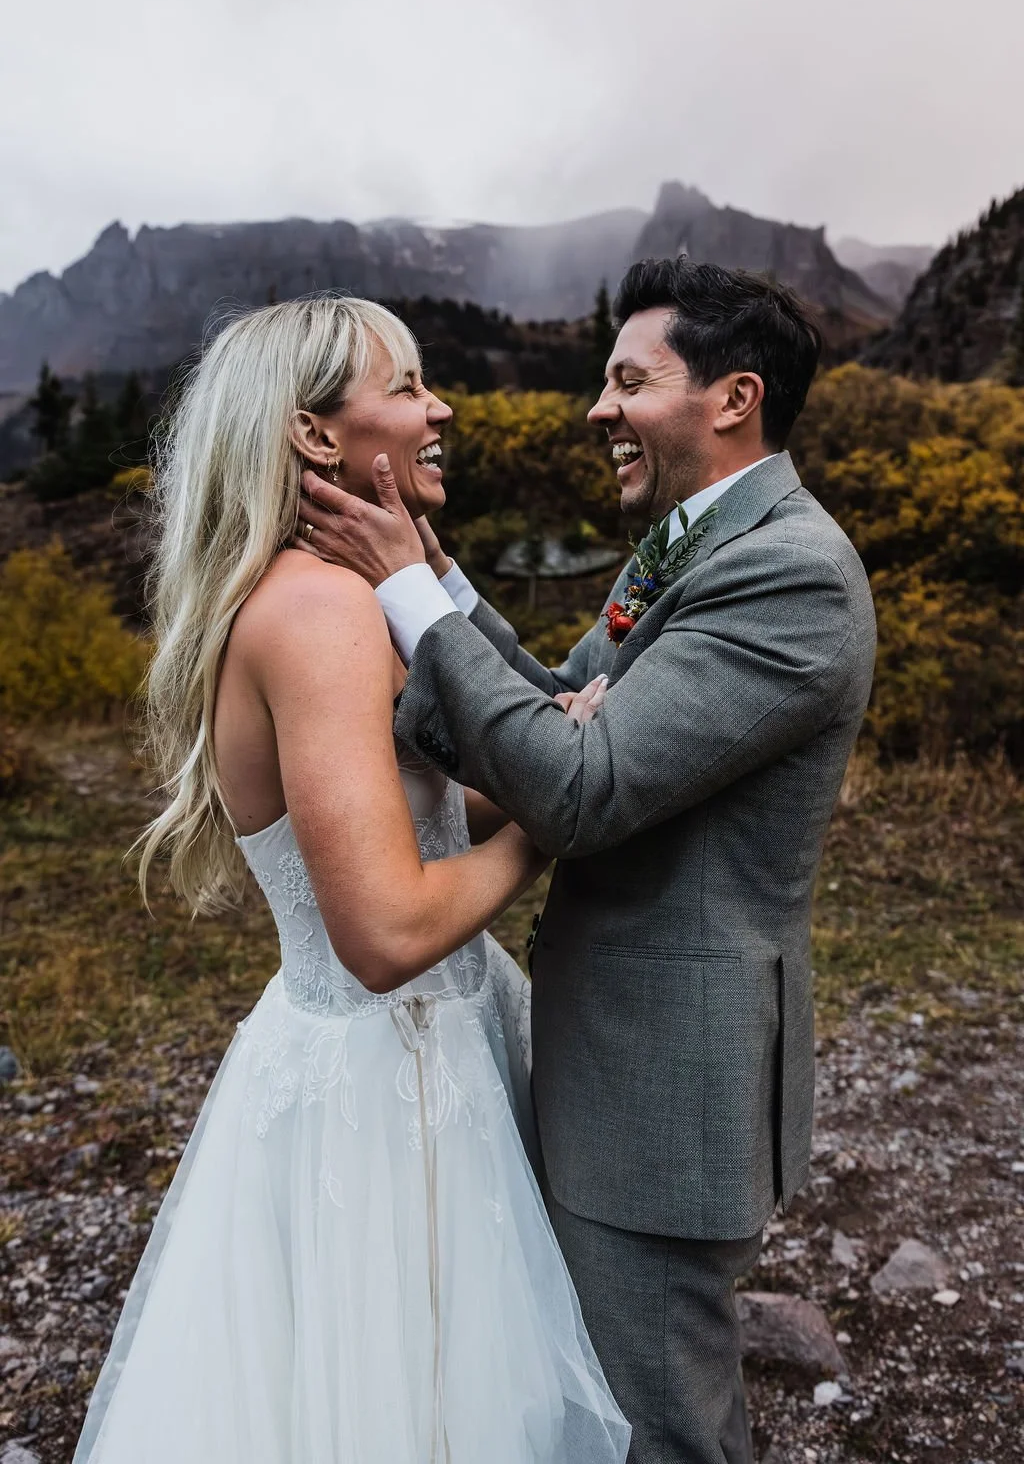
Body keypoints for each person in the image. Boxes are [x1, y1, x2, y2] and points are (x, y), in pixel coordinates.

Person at [296, 259, 878, 1464]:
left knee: (658, 1427)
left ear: (733, 398)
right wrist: (434, 577)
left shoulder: (791, 573)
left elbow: (577, 782)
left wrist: (402, 593)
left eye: (628, 381)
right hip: (613, 1057)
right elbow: (557, 699)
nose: (597, 408)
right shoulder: (687, 541)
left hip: (667, 1085)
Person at [72, 295, 630, 1464]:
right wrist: (554, 815)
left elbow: (424, 813)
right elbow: (381, 931)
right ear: (315, 433)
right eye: (408, 385)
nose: (441, 408)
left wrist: (546, 752)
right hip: (394, 1088)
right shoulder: (320, 612)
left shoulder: (331, 594)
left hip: (422, 1052)